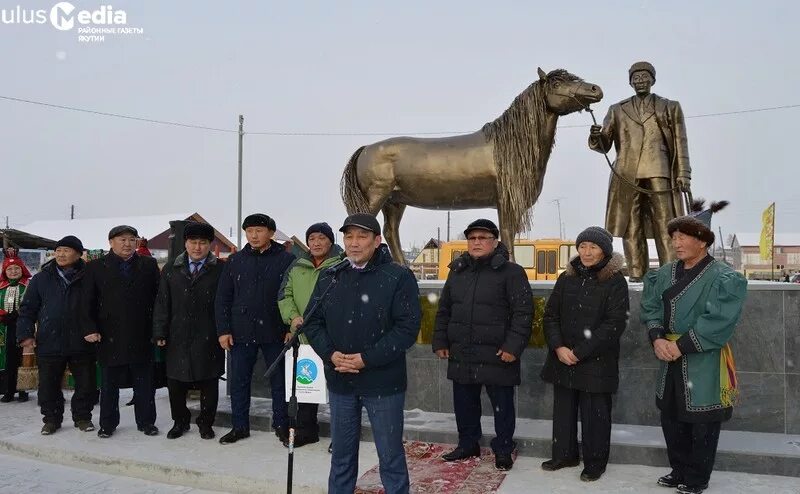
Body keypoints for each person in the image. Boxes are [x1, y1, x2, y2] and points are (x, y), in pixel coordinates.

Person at [303, 213, 421, 494]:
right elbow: (313, 321)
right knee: (342, 456)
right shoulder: (332, 276)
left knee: (390, 456)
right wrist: (331, 355)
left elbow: (406, 329)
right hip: (341, 381)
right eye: (349, 237)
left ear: (377, 241)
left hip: (383, 383)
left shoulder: (397, 276)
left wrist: (366, 358)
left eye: (362, 236)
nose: (354, 244)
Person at [641, 200, 746, 494]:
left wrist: (682, 346)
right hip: (667, 357)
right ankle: (679, 469)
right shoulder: (663, 274)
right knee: (671, 417)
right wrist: (657, 336)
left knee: (702, 421)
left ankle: (698, 478)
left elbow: (720, 320)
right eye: (674, 237)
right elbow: (650, 307)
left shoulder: (724, 278)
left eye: (683, 237)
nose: (676, 243)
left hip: (703, 361)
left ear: (703, 242)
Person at [432, 218, 533, 471]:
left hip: (498, 353)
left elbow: (523, 313)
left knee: (502, 406)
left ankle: (503, 449)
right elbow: (444, 309)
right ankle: (468, 444)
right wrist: (441, 340)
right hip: (462, 351)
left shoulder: (511, 272)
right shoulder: (458, 270)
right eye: (472, 238)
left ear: (495, 241)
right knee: (464, 403)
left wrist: (513, 347)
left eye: (482, 238)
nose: (476, 242)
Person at [588, 61, 691, 282]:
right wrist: (596, 136)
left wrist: (684, 173)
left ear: (653, 79)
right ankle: (636, 273)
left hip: (660, 170)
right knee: (630, 225)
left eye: (644, 76)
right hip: (626, 173)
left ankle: (670, 272)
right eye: (635, 77)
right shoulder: (617, 109)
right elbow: (604, 145)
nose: (640, 80)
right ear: (630, 81)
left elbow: (681, 142)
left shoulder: (670, 106)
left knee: (666, 223)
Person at [540, 226, 629, 481]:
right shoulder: (566, 277)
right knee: (564, 411)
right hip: (563, 356)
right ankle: (564, 454)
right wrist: (559, 347)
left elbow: (614, 324)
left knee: (595, 416)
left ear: (604, 251)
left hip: (595, 360)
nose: (586, 252)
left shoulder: (615, 281)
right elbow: (551, 315)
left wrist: (578, 352)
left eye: (593, 247)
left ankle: (595, 462)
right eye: (582, 246)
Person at [215, 213, 295, 445]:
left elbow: (291, 295)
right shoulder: (235, 261)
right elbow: (223, 298)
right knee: (239, 380)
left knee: (279, 381)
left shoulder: (286, 260)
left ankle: (281, 424)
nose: (253, 235)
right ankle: (240, 426)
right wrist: (223, 330)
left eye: (259, 230)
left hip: (275, 331)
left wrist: (290, 325)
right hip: (241, 332)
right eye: (249, 231)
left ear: (271, 233)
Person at [81, 225, 161, 438]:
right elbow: (86, 301)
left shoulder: (148, 264)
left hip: (141, 333)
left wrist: (158, 329)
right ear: (111, 242)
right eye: (122, 240)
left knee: (144, 383)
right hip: (109, 334)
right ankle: (107, 424)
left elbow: (158, 300)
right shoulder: (95, 267)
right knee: (109, 384)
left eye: (132, 239)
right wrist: (90, 328)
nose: (127, 244)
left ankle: (146, 422)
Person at [17, 236, 97, 434]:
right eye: (58, 250)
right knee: (48, 385)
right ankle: (51, 419)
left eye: (66, 250)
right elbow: (27, 309)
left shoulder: (90, 277)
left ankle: (83, 417)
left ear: (79, 254)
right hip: (50, 339)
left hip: (82, 340)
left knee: (85, 384)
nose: (61, 254)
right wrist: (26, 334)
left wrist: (95, 329)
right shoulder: (41, 278)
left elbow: (101, 308)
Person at [153, 222, 224, 440]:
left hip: (209, 334)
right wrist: (160, 332)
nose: (197, 247)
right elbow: (162, 303)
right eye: (193, 242)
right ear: (186, 243)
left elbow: (225, 303)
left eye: (202, 243)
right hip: (178, 334)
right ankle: (180, 421)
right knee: (176, 383)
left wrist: (224, 331)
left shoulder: (220, 269)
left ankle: (205, 423)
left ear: (209, 245)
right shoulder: (171, 269)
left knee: (209, 382)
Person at [277, 222, 344, 447]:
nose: (316, 243)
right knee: (305, 387)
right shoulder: (297, 266)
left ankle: (341, 437)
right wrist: (293, 318)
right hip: (304, 337)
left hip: (334, 337)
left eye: (321, 238)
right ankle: (307, 431)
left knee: (339, 390)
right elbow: (284, 295)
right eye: (312, 238)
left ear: (331, 241)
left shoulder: (342, 264)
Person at [0, 249, 32, 403]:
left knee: (21, 359)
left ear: (22, 269)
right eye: (9, 269)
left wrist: (18, 315)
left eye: (16, 268)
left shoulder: (28, 286)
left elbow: (32, 305)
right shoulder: (1, 287)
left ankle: (22, 389)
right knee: (7, 359)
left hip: (22, 327)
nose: (13, 272)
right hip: (4, 328)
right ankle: (8, 390)